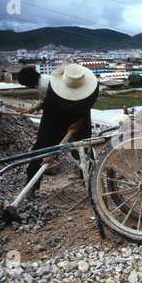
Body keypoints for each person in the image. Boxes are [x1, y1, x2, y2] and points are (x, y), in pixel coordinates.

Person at [26, 63, 99, 194]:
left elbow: (87, 106)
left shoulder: (92, 87)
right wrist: (50, 152)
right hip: (57, 117)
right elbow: (48, 125)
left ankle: (90, 178)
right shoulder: (53, 95)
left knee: (85, 146)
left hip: (81, 115)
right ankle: (32, 186)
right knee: (40, 149)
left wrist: (80, 121)